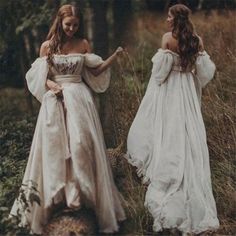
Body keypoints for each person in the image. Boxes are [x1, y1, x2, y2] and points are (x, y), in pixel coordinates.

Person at [10, 4, 125, 234]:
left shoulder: (83, 44)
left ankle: (81, 196)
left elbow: (95, 70)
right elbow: (38, 77)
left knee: (81, 143)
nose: (71, 29)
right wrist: (52, 85)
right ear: (59, 22)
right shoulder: (47, 46)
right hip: (55, 100)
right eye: (68, 25)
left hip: (80, 99)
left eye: (75, 25)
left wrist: (114, 57)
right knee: (54, 147)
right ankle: (57, 198)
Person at [126, 4, 219, 235]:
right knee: (188, 131)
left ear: (175, 19)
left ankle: (168, 177)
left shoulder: (167, 39)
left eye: (169, 15)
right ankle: (188, 175)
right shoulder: (197, 40)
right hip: (187, 89)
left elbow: (159, 75)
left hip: (170, 91)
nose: (166, 19)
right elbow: (205, 73)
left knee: (170, 131)